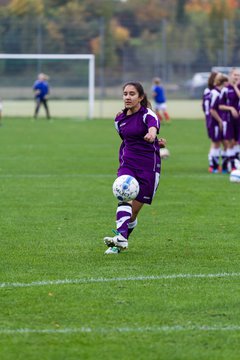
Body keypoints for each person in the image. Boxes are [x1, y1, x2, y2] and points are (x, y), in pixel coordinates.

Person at [103, 81, 164, 254]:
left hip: (148, 167)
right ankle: (119, 239)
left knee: (133, 213)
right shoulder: (119, 119)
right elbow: (127, 139)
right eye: (125, 94)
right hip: (128, 163)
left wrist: (153, 137)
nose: (128, 97)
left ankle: (121, 240)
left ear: (141, 97)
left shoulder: (148, 115)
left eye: (132, 94)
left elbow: (152, 128)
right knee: (124, 196)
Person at [209, 73, 228, 173]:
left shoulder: (219, 92)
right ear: (223, 83)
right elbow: (212, 110)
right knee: (216, 144)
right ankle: (213, 167)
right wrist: (220, 121)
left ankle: (224, 167)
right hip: (216, 123)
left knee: (224, 143)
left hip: (220, 122)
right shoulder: (216, 93)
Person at [202, 72, 218, 172]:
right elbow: (205, 106)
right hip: (212, 119)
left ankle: (216, 164)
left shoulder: (210, 91)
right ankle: (212, 165)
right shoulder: (210, 91)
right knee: (215, 141)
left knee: (218, 142)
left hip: (213, 118)